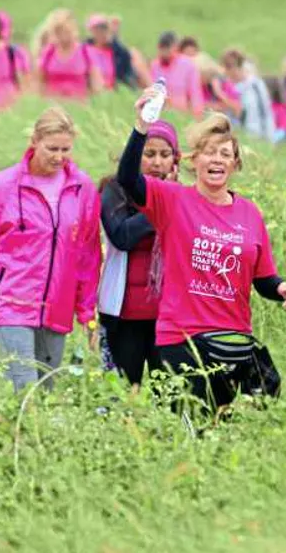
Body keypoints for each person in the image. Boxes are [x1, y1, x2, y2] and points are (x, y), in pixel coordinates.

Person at [116, 95, 286, 412]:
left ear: (235, 164)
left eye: (225, 154)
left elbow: (263, 278)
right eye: (210, 152)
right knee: (192, 425)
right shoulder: (173, 199)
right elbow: (128, 179)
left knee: (237, 420)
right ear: (194, 160)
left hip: (232, 340)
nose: (217, 160)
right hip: (182, 339)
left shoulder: (250, 214)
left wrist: (281, 287)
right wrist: (141, 126)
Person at [0, 107, 101, 392]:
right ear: (34, 141)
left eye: (65, 149)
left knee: (46, 391)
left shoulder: (81, 188)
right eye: (52, 148)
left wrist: (87, 312)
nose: (59, 157)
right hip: (10, 304)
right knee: (25, 388)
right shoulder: (2, 187)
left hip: (57, 308)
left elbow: (87, 254)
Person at [98, 120, 179, 388]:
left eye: (165, 155)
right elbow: (122, 236)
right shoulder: (113, 190)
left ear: (175, 160)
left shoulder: (185, 196)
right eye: (149, 154)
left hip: (168, 317)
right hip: (123, 315)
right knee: (120, 394)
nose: (157, 162)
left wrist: (170, 195)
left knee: (168, 394)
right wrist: (162, 203)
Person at [34, 8, 102, 100]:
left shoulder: (86, 51)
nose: (62, 36)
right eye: (58, 31)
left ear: (73, 29)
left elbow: (97, 86)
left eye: (65, 31)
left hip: (79, 103)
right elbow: (39, 84)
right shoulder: (48, 52)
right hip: (53, 103)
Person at [222, 49, 278, 143]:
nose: (227, 72)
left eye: (229, 67)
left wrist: (268, 138)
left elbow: (264, 113)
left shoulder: (254, 85)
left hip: (257, 136)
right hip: (241, 138)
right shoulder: (229, 86)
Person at [150, 31, 204, 118]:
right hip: (160, 114)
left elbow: (195, 94)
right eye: (162, 49)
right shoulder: (155, 65)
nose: (165, 53)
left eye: (168, 49)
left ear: (175, 47)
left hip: (182, 115)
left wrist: (197, 115)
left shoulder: (187, 65)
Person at [84, 13, 140, 91]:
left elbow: (125, 63)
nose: (101, 32)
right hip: (95, 87)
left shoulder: (116, 50)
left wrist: (115, 37)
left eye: (104, 28)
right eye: (97, 29)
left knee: (135, 54)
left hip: (113, 86)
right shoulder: (86, 49)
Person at [196, 52, 241, 121]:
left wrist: (219, 92)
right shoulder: (202, 87)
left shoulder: (225, 84)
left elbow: (237, 111)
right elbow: (197, 106)